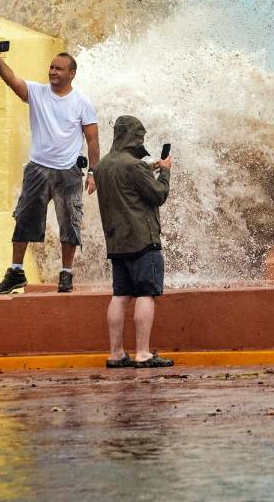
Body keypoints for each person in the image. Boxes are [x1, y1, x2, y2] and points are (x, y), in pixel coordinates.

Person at [0, 44, 99, 294]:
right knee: (24, 219)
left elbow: (92, 140)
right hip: (38, 169)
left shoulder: (82, 103)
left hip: (69, 172)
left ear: (72, 73)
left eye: (59, 69)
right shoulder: (37, 92)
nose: (52, 72)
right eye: (51, 67)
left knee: (70, 222)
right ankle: (16, 271)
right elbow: (12, 80)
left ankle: (66, 274)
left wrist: (93, 172)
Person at [94, 115, 173, 368]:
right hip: (142, 240)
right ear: (135, 137)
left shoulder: (103, 165)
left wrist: (149, 168)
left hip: (117, 243)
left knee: (120, 295)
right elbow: (158, 195)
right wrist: (165, 173)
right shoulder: (135, 166)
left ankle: (116, 353)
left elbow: (125, 184)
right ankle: (143, 353)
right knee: (146, 294)